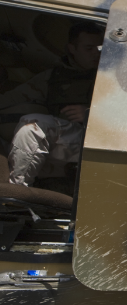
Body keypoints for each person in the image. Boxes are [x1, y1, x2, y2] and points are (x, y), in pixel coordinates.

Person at [0, 21, 104, 188]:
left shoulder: (111, 78)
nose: (96, 54)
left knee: (32, 127)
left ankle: (16, 192)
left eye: (100, 49)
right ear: (72, 48)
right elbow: (12, 99)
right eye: (89, 48)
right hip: (60, 140)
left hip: (97, 139)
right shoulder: (52, 78)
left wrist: (90, 114)